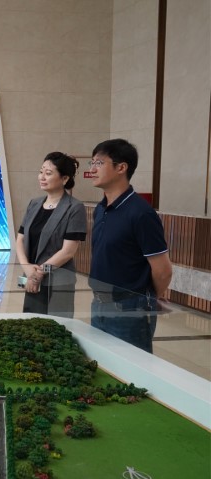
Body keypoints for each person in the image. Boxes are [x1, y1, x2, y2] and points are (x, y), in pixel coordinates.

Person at [89, 138, 172, 353]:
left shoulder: (141, 213)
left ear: (121, 168)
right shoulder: (100, 209)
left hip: (130, 310)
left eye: (99, 163)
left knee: (131, 368)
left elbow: (163, 270)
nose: (92, 169)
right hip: (98, 304)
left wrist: (147, 299)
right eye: (92, 163)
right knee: (102, 365)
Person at [16, 152, 87, 318]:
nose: (42, 177)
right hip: (31, 276)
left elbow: (68, 251)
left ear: (64, 179)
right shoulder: (34, 203)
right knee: (31, 322)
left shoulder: (75, 207)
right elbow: (20, 239)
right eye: (41, 172)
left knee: (56, 325)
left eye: (48, 173)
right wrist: (27, 267)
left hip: (58, 279)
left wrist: (39, 273)